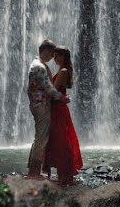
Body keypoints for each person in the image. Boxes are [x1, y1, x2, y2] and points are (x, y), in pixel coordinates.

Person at [26, 39, 69, 179]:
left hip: (37, 104)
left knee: (39, 137)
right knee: (41, 138)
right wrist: (63, 98)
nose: (53, 57)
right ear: (45, 51)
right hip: (41, 105)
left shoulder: (36, 64)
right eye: (51, 54)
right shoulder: (40, 67)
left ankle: (33, 170)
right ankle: (34, 173)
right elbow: (49, 89)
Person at [43, 46, 83, 186]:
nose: (55, 58)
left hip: (58, 110)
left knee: (61, 140)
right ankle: (61, 173)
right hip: (57, 108)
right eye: (54, 55)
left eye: (57, 55)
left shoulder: (63, 71)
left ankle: (64, 174)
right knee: (57, 138)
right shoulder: (62, 71)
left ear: (63, 57)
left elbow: (52, 91)